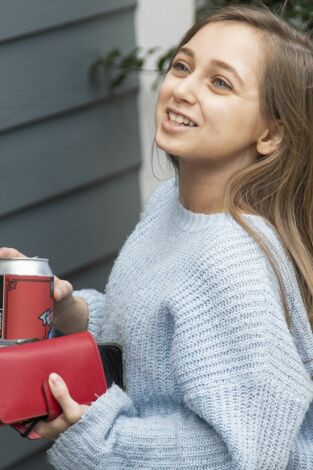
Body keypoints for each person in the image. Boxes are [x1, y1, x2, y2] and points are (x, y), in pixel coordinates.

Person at [2, 3, 313, 468]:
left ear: (270, 133)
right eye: (182, 66)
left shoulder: (231, 266)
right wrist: (72, 311)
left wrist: (90, 430)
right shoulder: (171, 204)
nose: (184, 89)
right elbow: (153, 341)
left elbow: (241, 456)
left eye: (220, 82)